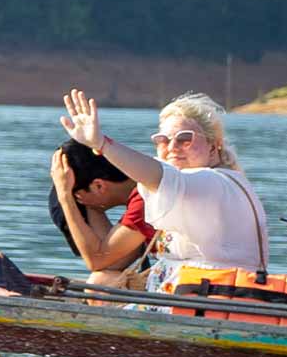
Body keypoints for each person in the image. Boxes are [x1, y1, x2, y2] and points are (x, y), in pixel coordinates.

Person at [59, 88, 267, 289]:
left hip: (211, 301)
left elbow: (158, 175)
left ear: (213, 147)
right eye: (163, 140)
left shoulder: (211, 183)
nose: (172, 147)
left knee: (99, 286)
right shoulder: (189, 186)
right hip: (191, 294)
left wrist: (101, 144)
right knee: (102, 283)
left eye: (185, 138)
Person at [46, 140, 154, 286]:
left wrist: (65, 197)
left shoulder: (145, 201)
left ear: (98, 186)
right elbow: (113, 262)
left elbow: (97, 260)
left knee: (99, 285)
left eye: (78, 198)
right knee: (103, 280)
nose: (81, 203)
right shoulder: (144, 181)